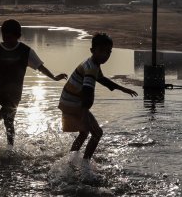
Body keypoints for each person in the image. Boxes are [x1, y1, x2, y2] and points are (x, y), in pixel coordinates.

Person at [0, 19, 67, 153]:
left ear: (17, 36)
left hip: (13, 95)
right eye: (4, 37)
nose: (6, 40)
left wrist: (54, 77)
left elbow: (40, 67)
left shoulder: (25, 51)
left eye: (9, 37)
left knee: (8, 121)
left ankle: (10, 149)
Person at [58, 32, 137, 163]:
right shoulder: (91, 68)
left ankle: (70, 161)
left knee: (84, 133)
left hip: (67, 101)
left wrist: (122, 88)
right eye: (101, 51)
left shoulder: (92, 63)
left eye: (108, 52)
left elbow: (102, 80)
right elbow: (88, 93)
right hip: (75, 103)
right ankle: (85, 163)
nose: (105, 55)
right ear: (92, 50)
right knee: (97, 133)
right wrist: (84, 113)